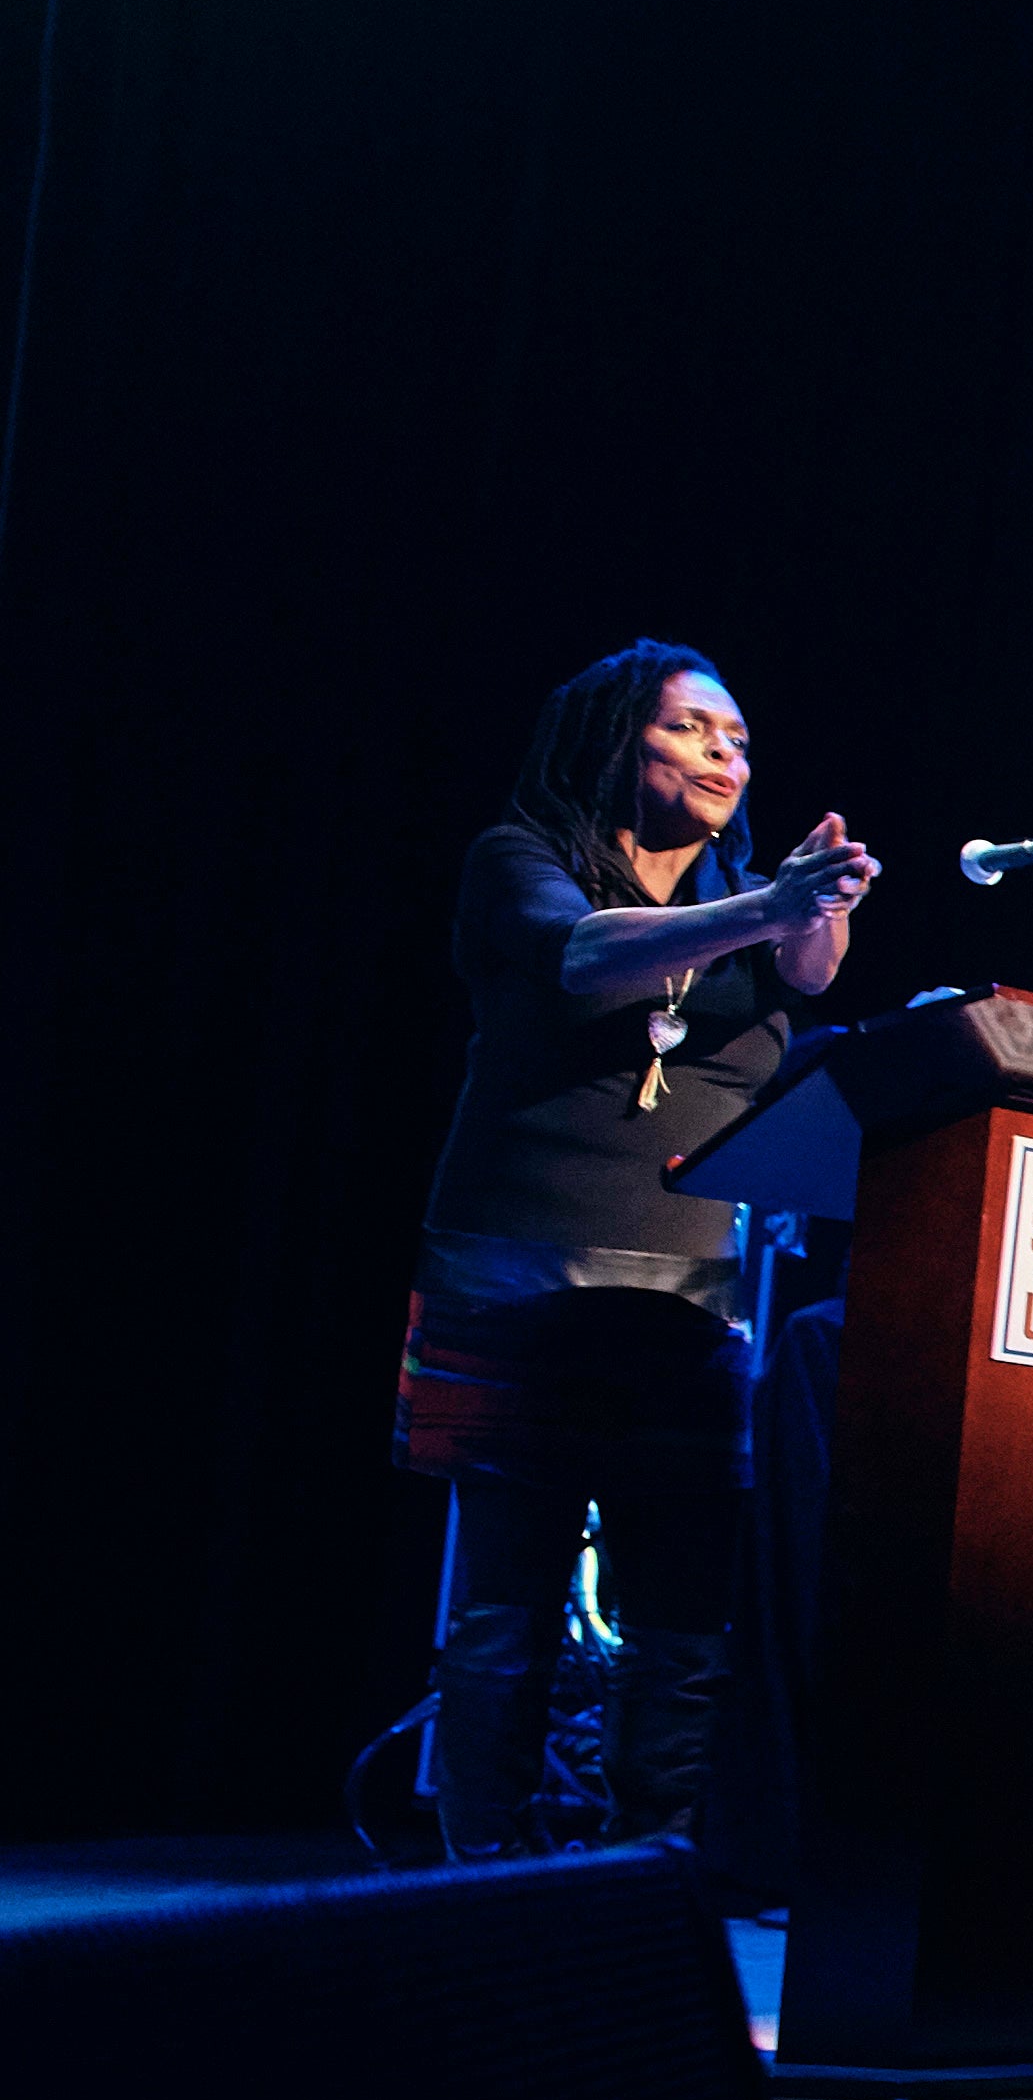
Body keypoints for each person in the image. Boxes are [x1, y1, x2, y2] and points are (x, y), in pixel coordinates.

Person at [396, 641, 873, 1859]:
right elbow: (582, 961)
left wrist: (811, 908)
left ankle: (647, 1873)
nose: (729, 751)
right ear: (619, 743)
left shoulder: (750, 899)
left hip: (688, 1309)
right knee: (505, 1613)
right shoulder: (523, 861)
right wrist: (771, 904)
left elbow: (809, 975)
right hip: (524, 1290)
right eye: (694, 727)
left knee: (680, 1621)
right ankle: (480, 1884)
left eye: (742, 738)